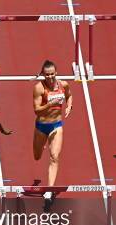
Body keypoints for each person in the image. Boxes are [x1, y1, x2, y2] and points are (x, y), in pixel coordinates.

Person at [32, 60, 73, 204]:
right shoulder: (39, 88)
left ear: (56, 73)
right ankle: (42, 144)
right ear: (43, 74)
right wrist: (49, 104)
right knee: (37, 156)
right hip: (41, 126)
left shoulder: (63, 84)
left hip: (56, 125)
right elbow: (36, 110)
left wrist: (69, 106)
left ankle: (49, 190)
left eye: (52, 74)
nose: (49, 77)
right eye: (47, 75)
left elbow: (69, 95)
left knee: (54, 156)